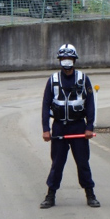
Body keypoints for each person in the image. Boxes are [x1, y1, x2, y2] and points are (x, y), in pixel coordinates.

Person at [40, 43, 100, 209]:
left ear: (74, 60)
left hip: (78, 128)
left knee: (82, 163)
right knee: (57, 164)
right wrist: (46, 129)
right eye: (64, 58)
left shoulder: (83, 79)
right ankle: (50, 196)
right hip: (59, 127)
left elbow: (90, 105)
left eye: (69, 58)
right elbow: (45, 105)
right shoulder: (52, 81)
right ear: (60, 60)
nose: (67, 61)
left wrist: (90, 127)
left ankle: (90, 194)